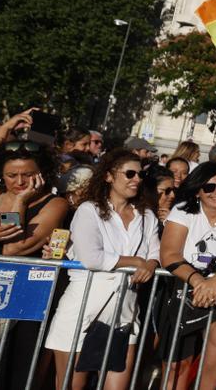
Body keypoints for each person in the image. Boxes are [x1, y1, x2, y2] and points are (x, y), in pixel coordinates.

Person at [44, 149, 161, 390]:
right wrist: (136, 262)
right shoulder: (89, 210)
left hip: (125, 313)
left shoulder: (146, 215)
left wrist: (150, 263)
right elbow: (91, 258)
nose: (136, 179)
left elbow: (155, 253)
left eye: (140, 175)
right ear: (109, 176)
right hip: (82, 308)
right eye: (129, 173)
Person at [0, 141, 69, 389]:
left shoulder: (55, 204)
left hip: (20, 303)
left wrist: (21, 201)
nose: (20, 181)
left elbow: (14, 246)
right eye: (12, 175)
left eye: (28, 175)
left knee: (4, 374)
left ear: (41, 174)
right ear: (0, 175)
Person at [159, 161, 216, 390]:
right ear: (198, 190)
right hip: (183, 286)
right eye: (209, 187)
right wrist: (199, 281)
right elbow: (169, 254)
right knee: (176, 368)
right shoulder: (182, 210)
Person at [139, 166, 175, 232]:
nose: (173, 195)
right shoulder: (137, 216)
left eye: (173, 190)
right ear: (149, 190)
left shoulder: (173, 214)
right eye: (167, 191)